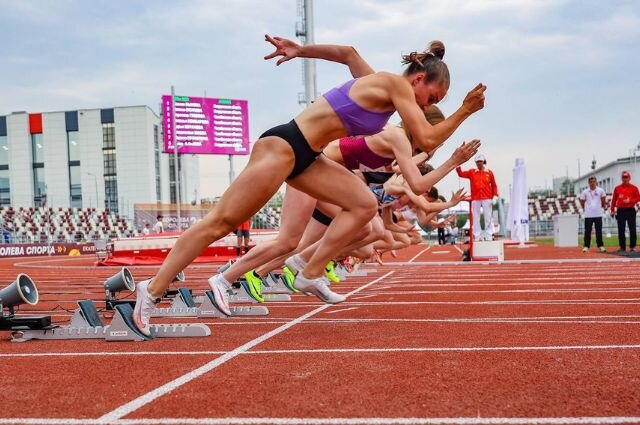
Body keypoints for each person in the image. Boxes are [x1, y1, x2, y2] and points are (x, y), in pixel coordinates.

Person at [131, 34, 486, 336]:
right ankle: (152, 289)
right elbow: (425, 135)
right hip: (284, 146)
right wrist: (466, 110)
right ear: (418, 79)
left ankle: (309, 271)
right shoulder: (394, 84)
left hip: (309, 158)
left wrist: (301, 50)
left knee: (364, 206)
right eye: (433, 97)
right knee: (220, 223)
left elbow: (348, 53)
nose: (429, 105)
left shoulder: (381, 86)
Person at [456, 154, 498, 241]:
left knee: (488, 216)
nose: (478, 164)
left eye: (480, 162)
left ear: (483, 162)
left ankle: (489, 234)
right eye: (477, 162)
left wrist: (495, 196)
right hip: (476, 198)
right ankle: (477, 235)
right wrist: (458, 165)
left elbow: (494, 185)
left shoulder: (489, 172)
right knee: (476, 217)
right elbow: (461, 174)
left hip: (487, 197)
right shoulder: (472, 172)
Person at [610, 171, 640, 253]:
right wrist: (612, 210)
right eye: (624, 177)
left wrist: (630, 200)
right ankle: (622, 247)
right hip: (621, 211)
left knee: (632, 229)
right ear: (621, 178)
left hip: (630, 210)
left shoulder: (634, 188)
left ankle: (632, 246)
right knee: (621, 229)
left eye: (626, 177)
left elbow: (638, 197)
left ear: (629, 178)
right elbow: (614, 200)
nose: (625, 179)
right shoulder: (617, 188)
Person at [579, 176, 606, 253]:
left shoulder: (601, 190)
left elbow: (603, 201)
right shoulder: (585, 192)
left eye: (594, 181)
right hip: (588, 215)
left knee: (599, 231)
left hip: (598, 214)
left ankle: (600, 246)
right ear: (588, 183)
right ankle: (586, 246)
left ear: (596, 182)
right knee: (587, 231)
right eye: (591, 182)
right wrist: (587, 208)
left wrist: (600, 207)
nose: (592, 183)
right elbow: (582, 201)